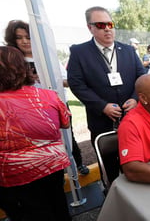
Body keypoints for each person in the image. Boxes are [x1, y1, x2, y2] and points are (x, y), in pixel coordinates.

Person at [0, 46, 72, 221]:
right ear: (24, 68)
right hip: (54, 160)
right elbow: (65, 123)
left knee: (35, 207)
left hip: (19, 169)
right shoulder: (48, 95)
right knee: (56, 195)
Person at [67, 6, 146, 184]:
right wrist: (102, 106)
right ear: (90, 28)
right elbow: (76, 84)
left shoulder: (128, 50)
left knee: (135, 163)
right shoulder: (80, 52)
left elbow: (142, 76)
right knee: (110, 171)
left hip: (132, 120)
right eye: (101, 25)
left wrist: (135, 98)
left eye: (110, 24)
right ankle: (113, 200)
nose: (107, 29)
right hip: (101, 123)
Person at [4, 19, 90, 176]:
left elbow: (67, 81)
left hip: (56, 105)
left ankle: (77, 163)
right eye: (19, 37)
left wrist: (50, 78)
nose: (24, 41)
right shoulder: (13, 62)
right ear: (13, 39)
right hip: (28, 110)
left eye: (28, 37)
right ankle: (52, 172)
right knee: (38, 142)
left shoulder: (48, 57)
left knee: (67, 135)